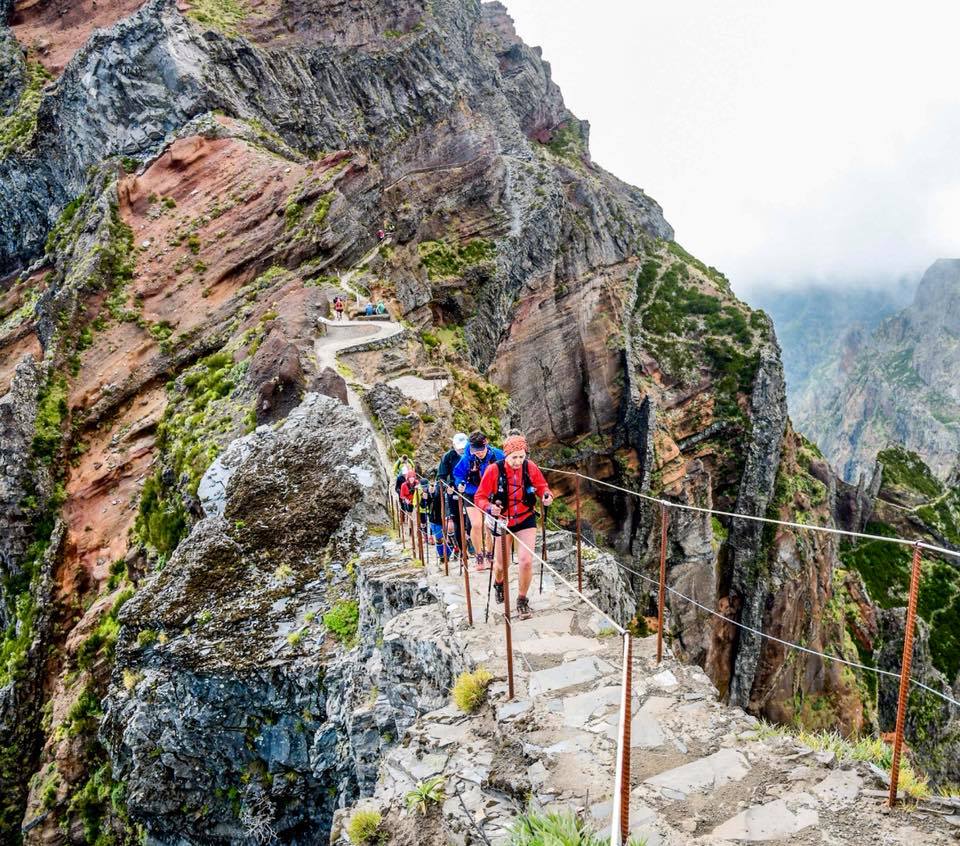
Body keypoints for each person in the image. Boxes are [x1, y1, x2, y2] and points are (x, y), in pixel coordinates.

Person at [475, 433, 553, 618]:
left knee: (526, 561)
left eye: (521, 456)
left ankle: (522, 600)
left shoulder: (530, 467)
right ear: (506, 455)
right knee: (502, 565)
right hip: (502, 520)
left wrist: (546, 495)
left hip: (526, 517)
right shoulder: (494, 470)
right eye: (514, 457)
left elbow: (542, 486)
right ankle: (498, 584)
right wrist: (489, 507)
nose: (518, 461)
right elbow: (480, 497)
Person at [453, 432, 504, 571]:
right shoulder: (467, 457)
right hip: (472, 493)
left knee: (489, 526)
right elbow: (458, 474)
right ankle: (478, 555)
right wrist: (460, 484)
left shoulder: (497, 455)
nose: (479, 453)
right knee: (476, 524)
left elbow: (507, 468)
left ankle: (489, 554)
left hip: (490, 494)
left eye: (481, 450)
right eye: (475, 451)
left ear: (486, 443)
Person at [437, 433, 469, 560]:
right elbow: (441, 476)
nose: (461, 449)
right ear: (454, 445)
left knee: (471, 521)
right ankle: (462, 549)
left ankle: (473, 545)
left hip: (469, 491)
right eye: (459, 447)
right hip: (453, 492)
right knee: (456, 521)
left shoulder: (471, 454)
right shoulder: (448, 457)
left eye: (463, 447)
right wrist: (446, 488)